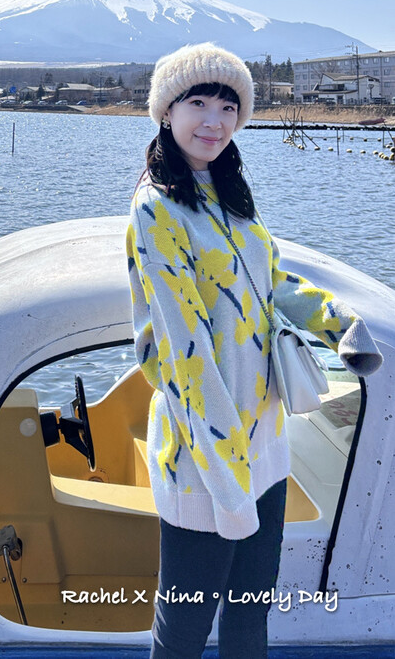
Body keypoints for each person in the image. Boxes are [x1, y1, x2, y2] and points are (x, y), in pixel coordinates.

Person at [125, 43, 383, 659]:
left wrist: (338, 322)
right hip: (204, 454)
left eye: (228, 105)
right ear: (167, 111)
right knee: (184, 627)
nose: (213, 119)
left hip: (262, 441)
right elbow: (184, 354)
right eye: (198, 102)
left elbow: (266, 284)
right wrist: (225, 484)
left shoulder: (231, 194)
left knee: (249, 615)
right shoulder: (156, 210)